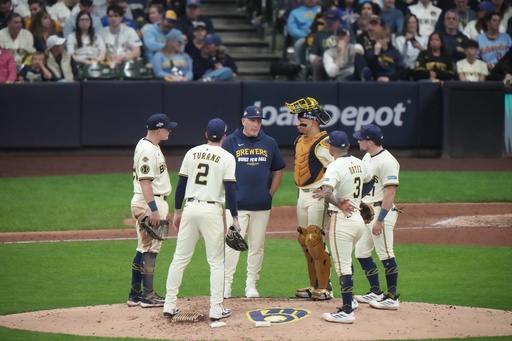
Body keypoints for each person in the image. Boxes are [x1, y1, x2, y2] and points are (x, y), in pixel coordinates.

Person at [163, 118, 240, 321]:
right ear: (224, 136)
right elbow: (231, 190)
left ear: (206, 135)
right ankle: (216, 309)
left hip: (190, 208)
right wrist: (234, 217)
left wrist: (177, 211)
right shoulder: (227, 157)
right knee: (216, 262)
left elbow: (181, 186)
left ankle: (169, 304)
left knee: (180, 258)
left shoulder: (191, 152)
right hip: (211, 211)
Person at [222, 106, 286, 299]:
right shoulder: (230, 142)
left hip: (261, 205)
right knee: (232, 245)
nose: (256, 124)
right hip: (236, 206)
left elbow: (278, 170)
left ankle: (251, 284)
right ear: (243, 121)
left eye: (259, 121)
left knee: (257, 245)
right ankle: (226, 284)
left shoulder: (269, 142)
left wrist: (269, 194)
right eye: (252, 120)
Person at [312, 130, 374, 324]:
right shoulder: (359, 162)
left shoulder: (334, 166)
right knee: (346, 260)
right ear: (347, 146)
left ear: (331, 148)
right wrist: (356, 199)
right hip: (357, 221)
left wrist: (339, 202)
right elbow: (370, 181)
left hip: (343, 220)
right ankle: (351, 303)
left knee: (342, 266)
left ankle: (346, 311)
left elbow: (328, 193)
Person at [285, 96, 335, 301]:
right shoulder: (300, 140)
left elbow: (337, 167)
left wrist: (329, 191)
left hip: (317, 195)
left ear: (313, 121)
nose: (298, 124)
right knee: (304, 240)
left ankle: (325, 287)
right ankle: (314, 285)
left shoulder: (324, 143)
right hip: (302, 195)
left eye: (302, 121)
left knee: (315, 240)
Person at [127, 113, 177, 308]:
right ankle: (148, 297)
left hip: (147, 201)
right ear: (158, 129)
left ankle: (134, 294)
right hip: (149, 202)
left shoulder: (147, 144)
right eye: (167, 127)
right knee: (151, 249)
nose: (170, 130)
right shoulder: (148, 150)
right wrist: (154, 210)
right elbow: (145, 182)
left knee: (143, 248)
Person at [352, 124, 401, 310]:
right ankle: (375, 291)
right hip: (367, 213)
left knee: (386, 254)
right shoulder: (367, 156)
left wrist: (379, 220)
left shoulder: (387, 161)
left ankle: (392, 297)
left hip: (382, 213)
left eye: (361, 139)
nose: (358, 141)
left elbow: (390, 193)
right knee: (361, 252)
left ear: (370, 142)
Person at [98, 4, 141, 68]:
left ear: (121, 17)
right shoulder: (101, 33)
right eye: (110, 16)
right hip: (108, 64)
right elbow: (100, 52)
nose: (113, 18)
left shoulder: (130, 31)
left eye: (116, 16)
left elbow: (137, 52)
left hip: (128, 63)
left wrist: (124, 58)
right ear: (107, 18)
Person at [308, 8, 342, 81]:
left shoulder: (345, 31)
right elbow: (313, 54)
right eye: (328, 22)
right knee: (316, 65)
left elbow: (353, 47)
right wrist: (314, 58)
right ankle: (317, 89)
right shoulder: (320, 34)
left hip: (342, 59)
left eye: (332, 23)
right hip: (324, 61)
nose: (329, 25)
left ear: (338, 21)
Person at [286, 0, 320, 66]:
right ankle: (301, 67)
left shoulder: (323, 11)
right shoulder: (295, 13)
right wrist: (305, 36)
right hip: (304, 39)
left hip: (321, 37)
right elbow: (291, 29)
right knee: (300, 43)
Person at [394, 14, 427, 79]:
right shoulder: (399, 39)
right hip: (405, 70)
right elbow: (400, 57)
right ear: (405, 25)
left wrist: (420, 47)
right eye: (409, 23)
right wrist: (406, 42)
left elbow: (429, 56)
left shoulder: (424, 38)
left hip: (420, 69)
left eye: (414, 22)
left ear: (417, 24)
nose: (412, 25)